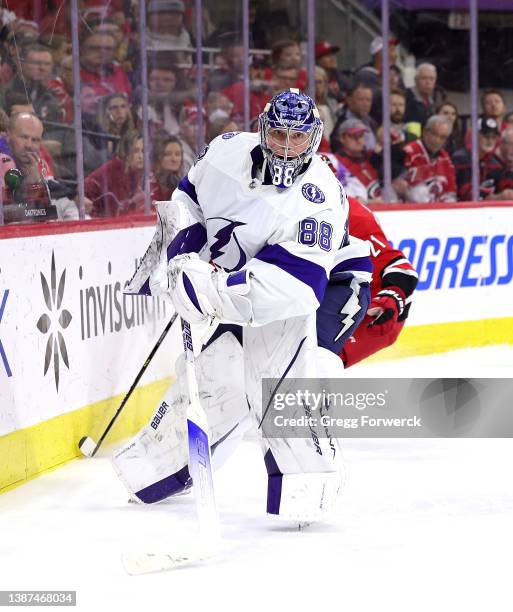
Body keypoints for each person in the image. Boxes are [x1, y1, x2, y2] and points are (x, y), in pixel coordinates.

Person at [112, 90, 371, 523]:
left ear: (315, 139)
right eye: (279, 134)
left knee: (278, 388)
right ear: (262, 127)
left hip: (326, 287)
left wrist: (208, 290)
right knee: (217, 374)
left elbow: (294, 286)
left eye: (298, 138)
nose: (287, 147)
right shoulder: (226, 151)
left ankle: (308, 487)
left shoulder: (319, 195)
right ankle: (152, 472)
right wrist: (180, 257)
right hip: (243, 281)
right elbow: (189, 203)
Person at [341, 197, 418, 366]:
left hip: (374, 314)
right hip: (329, 302)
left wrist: (392, 296)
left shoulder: (348, 212)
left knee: (316, 364)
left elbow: (401, 270)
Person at [0, 112, 77, 223]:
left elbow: (44, 215)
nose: (29, 145)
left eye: (35, 140)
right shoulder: (3, 163)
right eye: (24, 137)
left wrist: (36, 184)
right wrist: (33, 186)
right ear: (7, 135)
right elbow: (9, 216)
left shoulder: (36, 166)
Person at [84, 131, 161, 217]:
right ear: (126, 152)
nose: (141, 156)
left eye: (144, 151)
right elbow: (85, 189)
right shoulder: (114, 170)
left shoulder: (146, 171)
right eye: (135, 151)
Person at [402, 114, 457, 203]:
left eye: (442, 137)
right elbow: (399, 188)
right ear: (425, 132)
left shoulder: (446, 159)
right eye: (434, 134)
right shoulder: (408, 153)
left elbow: (450, 191)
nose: (437, 140)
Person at [452, 117, 503, 201]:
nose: (490, 141)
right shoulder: (460, 159)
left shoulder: (496, 163)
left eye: (493, 137)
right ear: (474, 136)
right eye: (486, 136)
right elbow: (464, 193)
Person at [331, 83, 378, 151]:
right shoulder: (341, 126)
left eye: (368, 100)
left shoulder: (373, 123)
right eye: (361, 99)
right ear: (349, 101)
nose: (365, 104)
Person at [404, 63, 442, 128]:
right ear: (415, 80)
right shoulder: (405, 97)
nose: (428, 82)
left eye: (431, 79)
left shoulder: (436, 99)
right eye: (424, 78)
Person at [151, 134, 184, 199]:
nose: (174, 159)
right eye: (168, 154)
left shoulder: (179, 182)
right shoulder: (152, 183)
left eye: (177, 154)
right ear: (159, 157)